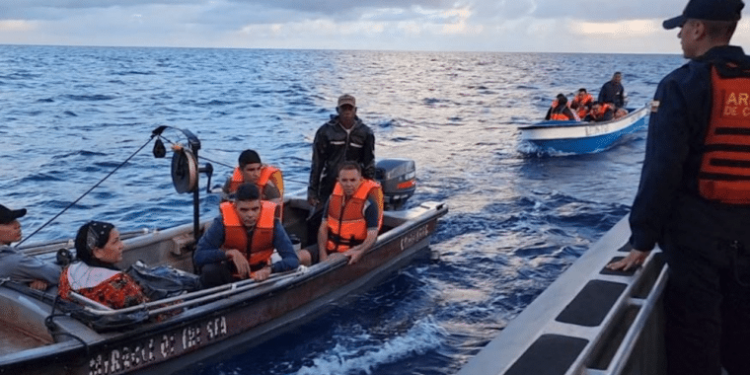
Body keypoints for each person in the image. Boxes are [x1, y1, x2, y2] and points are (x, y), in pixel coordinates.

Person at [607, 1, 750, 374]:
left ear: (699, 29)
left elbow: (661, 170)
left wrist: (642, 240)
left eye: (682, 27)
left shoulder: (681, 84)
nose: (679, 35)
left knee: (695, 343)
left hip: (696, 241)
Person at [195, 183, 299, 288]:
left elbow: (292, 259)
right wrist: (229, 253)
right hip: (229, 277)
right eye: (244, 210)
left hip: (260, 277)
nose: (250, 215)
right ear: (235, 207)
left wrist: (270, 269)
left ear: (261, 207)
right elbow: (199, 256)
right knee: (209, 271)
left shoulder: (273, 224)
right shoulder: (221, 223)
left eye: (255, 209)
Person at [59, 221, 149, 309]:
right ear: (97, 251)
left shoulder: (67, 273)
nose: (122, 245)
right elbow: (147, 310)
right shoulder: (119, 282)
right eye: (115, 242)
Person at [308, 94, 376, 208]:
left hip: (355, 185)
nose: (347, 111)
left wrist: (371, 188)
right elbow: (317, 163)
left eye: (350, 108)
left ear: (355, 110)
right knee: (316, 217)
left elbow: (369, 163)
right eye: (344, 108)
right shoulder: (325, 131)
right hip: (329, 184)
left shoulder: (366, 133)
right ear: (337, 110)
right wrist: (312, 190)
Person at [316, 162, 383, 266]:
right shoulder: (332, 198)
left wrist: (359, 252)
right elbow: (323, 228)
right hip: (329, 247)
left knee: (333, 259)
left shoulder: (368, 203)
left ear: (360, 180)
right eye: (344, 180)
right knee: (301, 256)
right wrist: (322, 255)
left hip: (350, 250)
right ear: (338, 180)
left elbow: (372, 235)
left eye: (352, 180)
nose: (348, 184)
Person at [0, 204, 60, 290]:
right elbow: (59, 275)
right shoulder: (15, 262)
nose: (17, 225)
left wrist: (26, 281)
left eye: (15, 220)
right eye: (8, 223)